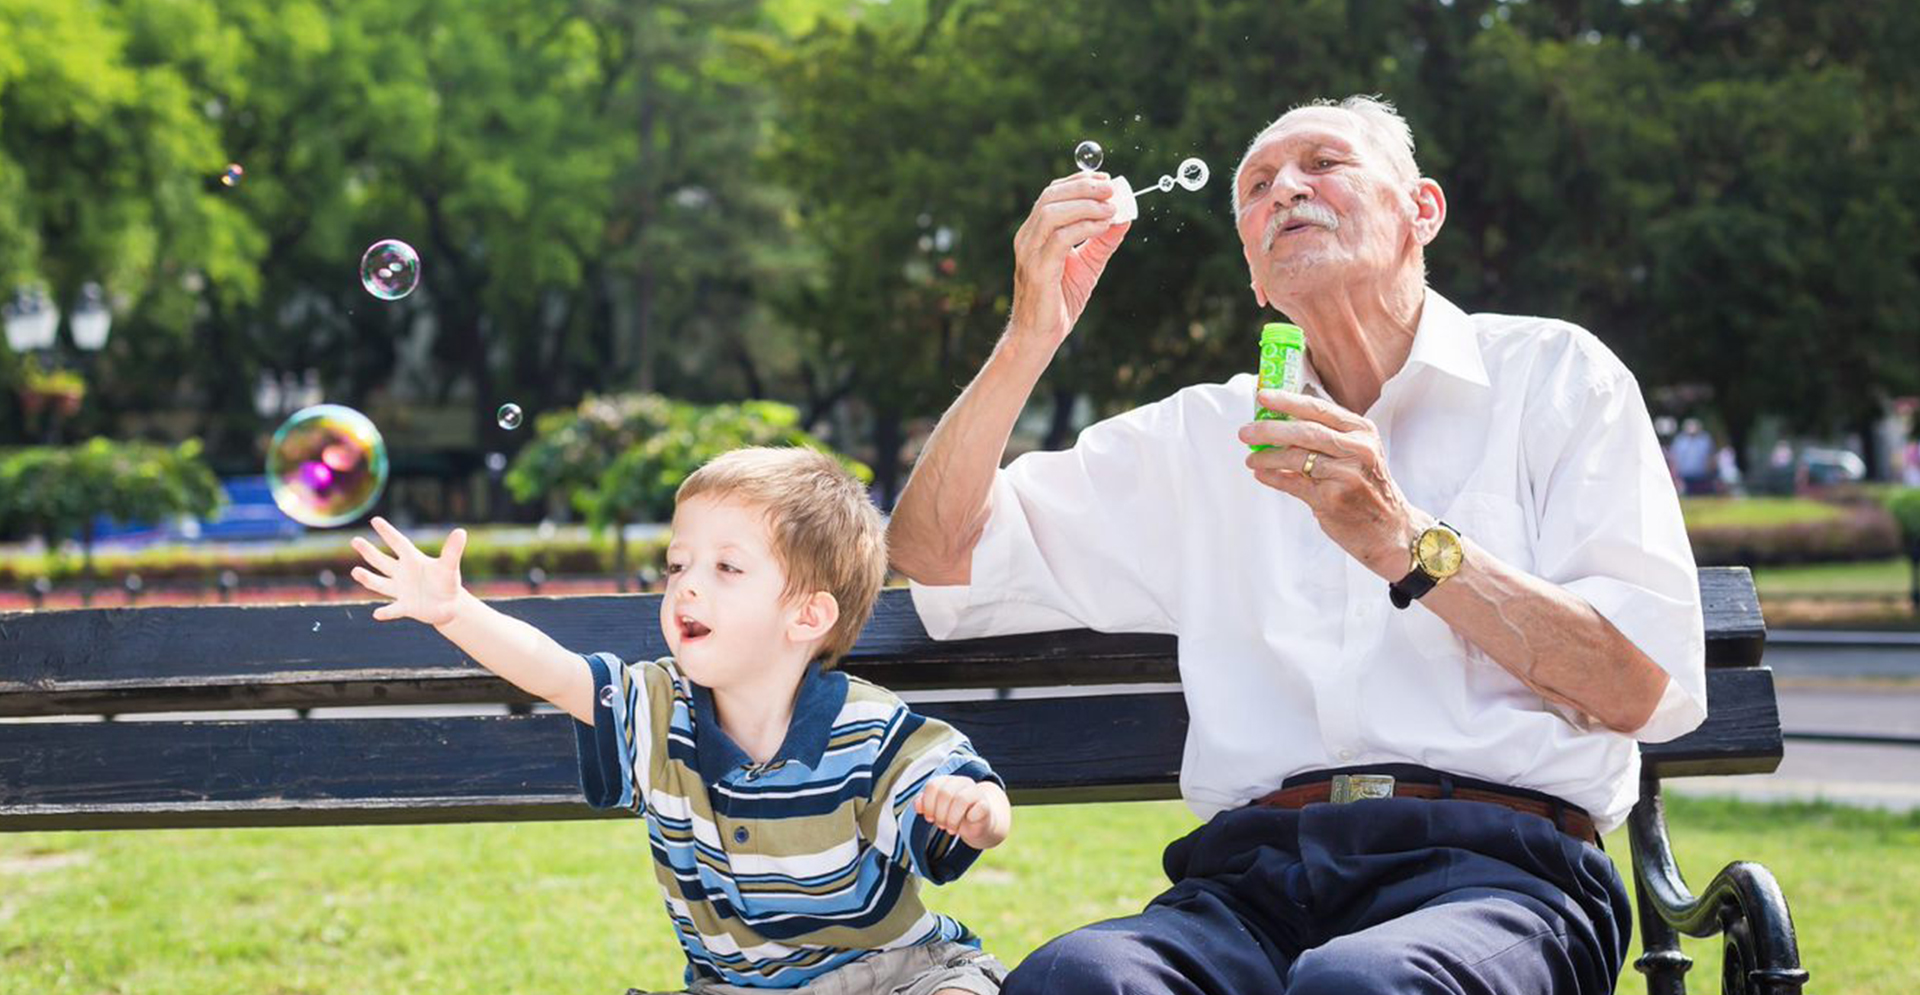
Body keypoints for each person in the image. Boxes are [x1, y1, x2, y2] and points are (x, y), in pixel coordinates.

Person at [888, 95, 1706, 994]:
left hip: (1500, 872)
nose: (1286, 189)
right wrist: (1029, 332)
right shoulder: (1200, 437)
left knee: (1359, 985)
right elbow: (933, 550)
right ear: (1255, 276)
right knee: (1077, 978)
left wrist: (1405, 541)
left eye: (1325, 163)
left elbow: (1638, 684)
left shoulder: (1555, 377)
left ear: (1420, 211)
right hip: (1251, 881)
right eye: (1256, 186)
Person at [351, 446, 1013, 995]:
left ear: (807, 617)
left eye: (727, 566)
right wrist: (455, 610)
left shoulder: (865, 727)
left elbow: (960, 792)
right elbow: (555, 670)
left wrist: (979, 810)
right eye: (677, 564)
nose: (687, 585)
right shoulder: (659, 709)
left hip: (888, 977)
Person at [1669, 417, 1717, 496]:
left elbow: (1711, 456)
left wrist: (1710, 470)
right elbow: (1674, 457)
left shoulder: (1705, 439)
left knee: (1702, 496)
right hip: (1684, 475)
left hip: (1702, 475)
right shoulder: (1680, 440)